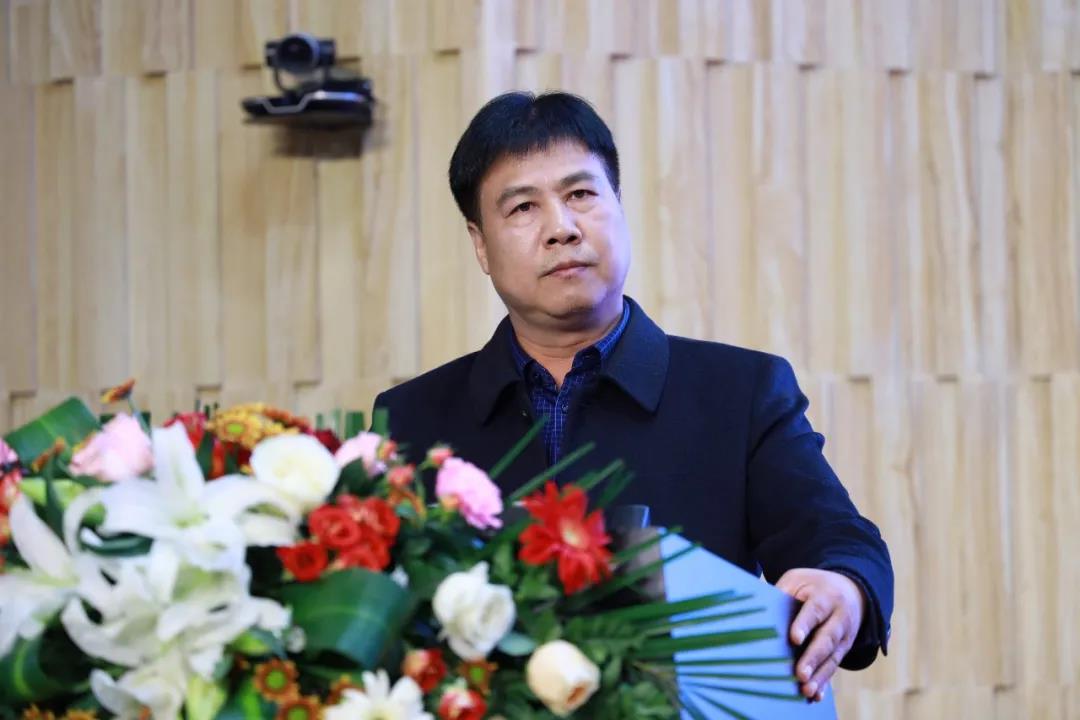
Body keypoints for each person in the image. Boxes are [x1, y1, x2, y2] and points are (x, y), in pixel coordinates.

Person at [373, 91, 893, 701]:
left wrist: (843, 584)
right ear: (480, 244)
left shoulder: (740, 391)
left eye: (581, 194)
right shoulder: (412, 418)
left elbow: (834, 535)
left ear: (619, 205)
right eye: (523, 207)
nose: (562, 228)